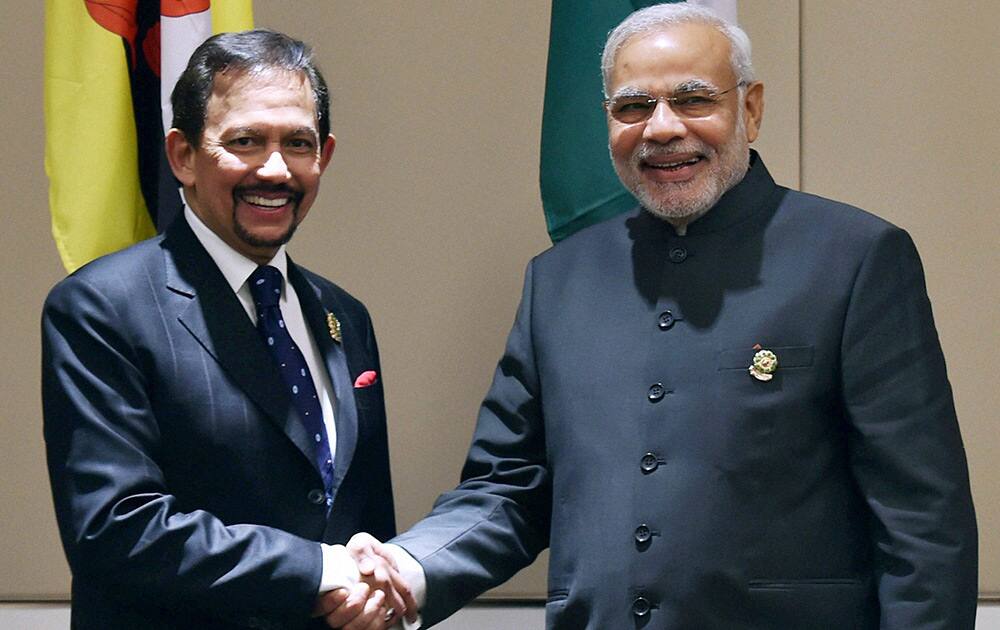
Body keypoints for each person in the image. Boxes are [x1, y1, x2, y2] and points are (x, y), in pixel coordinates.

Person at [338, 4, 978, 629]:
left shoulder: (853, 258)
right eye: (633, 106)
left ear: (749, 109)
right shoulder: (559, 280)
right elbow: (510, 484)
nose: (662, 128)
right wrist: (410, 566)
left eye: (694, 99)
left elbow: (921, 518)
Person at [42, 29, 413, 629]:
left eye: (298, 143)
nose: (274, 169)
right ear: (183, 156)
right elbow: (115, 528)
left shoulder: (344, 315)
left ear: (325, 155)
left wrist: (374, 584)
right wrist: (318, 568)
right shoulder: (101, 307)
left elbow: (361, 515)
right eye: (244, 141)